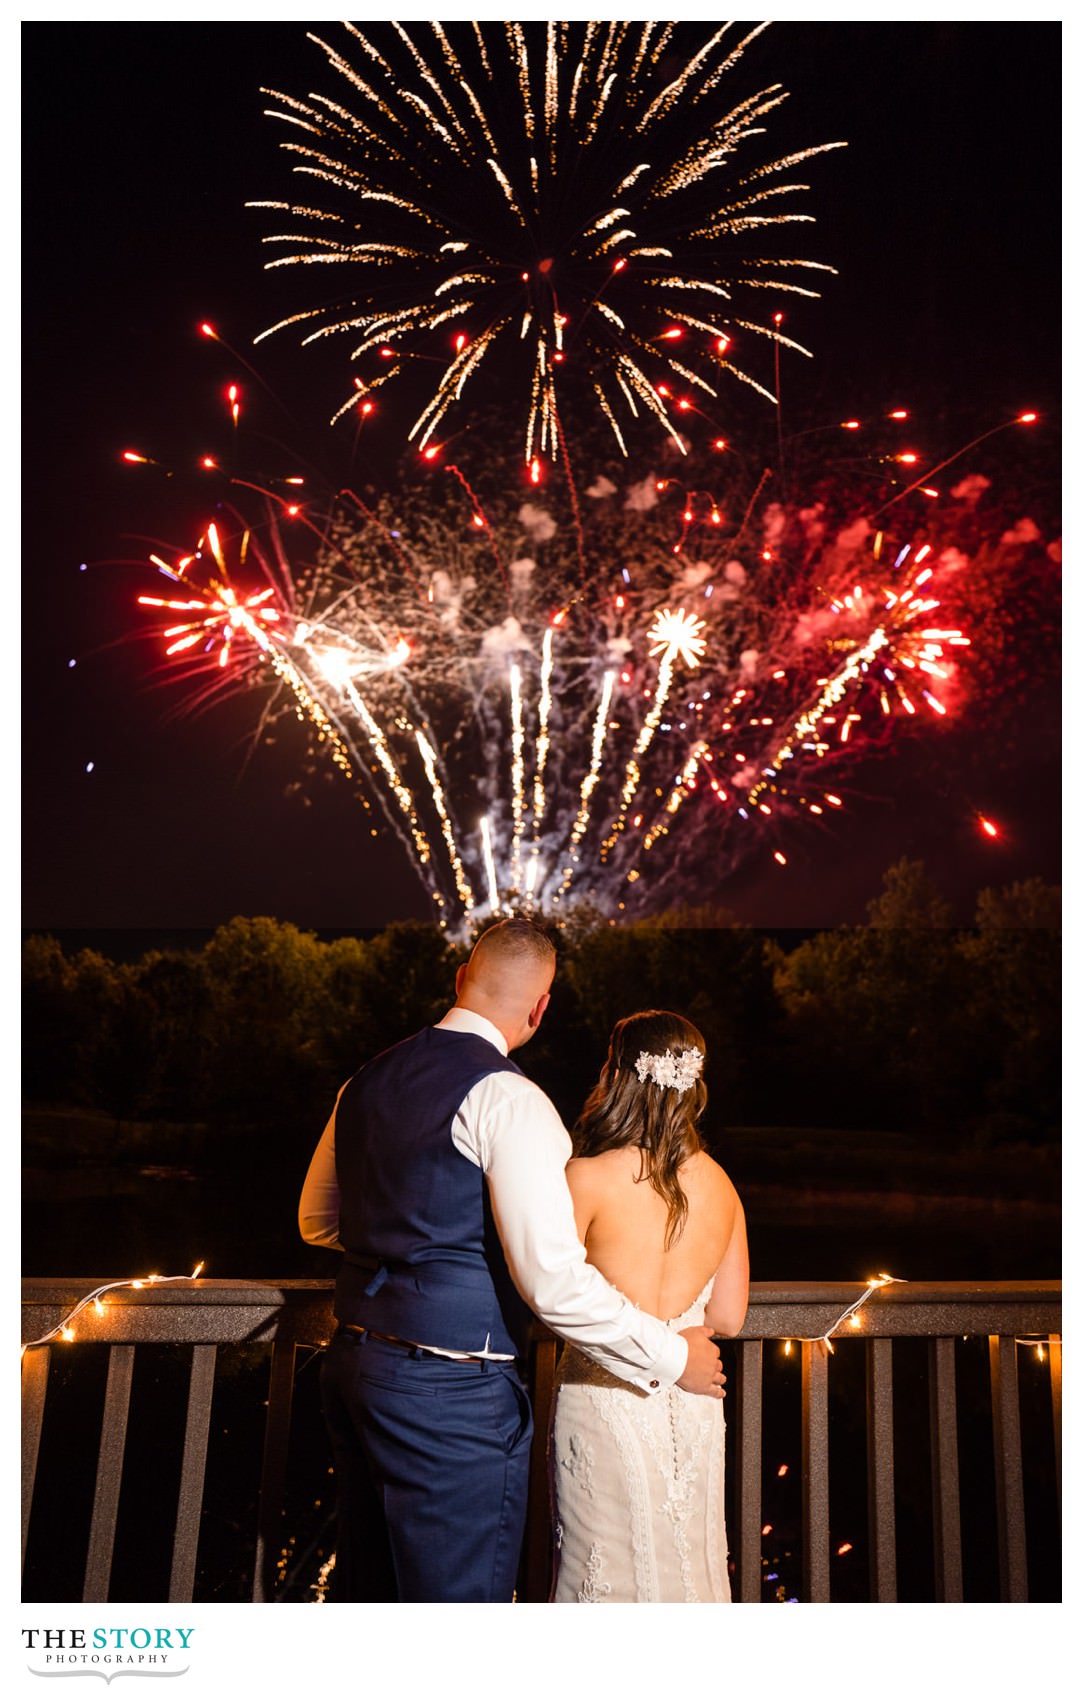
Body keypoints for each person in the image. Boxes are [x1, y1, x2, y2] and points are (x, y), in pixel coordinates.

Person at [298, 920, 726, 1603]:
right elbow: (553, 1282)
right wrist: (671, 1358)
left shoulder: (365, 1080)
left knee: (370, 1598)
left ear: (461, 978)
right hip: (449, 1391)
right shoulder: (512, 1100)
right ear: (540, 1006)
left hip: (352, 1367)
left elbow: (318, 1222)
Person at [552, 1009, 749, 1603]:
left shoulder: (584, 1178)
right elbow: (728, 1318)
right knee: (693, 1574)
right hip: (693, 1403)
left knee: (602, 1572)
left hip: (603, 1395)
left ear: (616, 1074)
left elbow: (552, 1289)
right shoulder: (721, 1185)